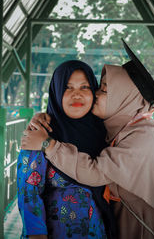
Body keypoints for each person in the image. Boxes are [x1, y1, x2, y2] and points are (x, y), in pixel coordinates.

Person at [21, 41, 154, 239]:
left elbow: (95, 171)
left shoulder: (143, 137)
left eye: (103, 90)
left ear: (124, 99)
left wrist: (48, 144)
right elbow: (28, 194)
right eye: (67, 87)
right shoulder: (106, 131)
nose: (94, 95)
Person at [17, 60, 113, 239]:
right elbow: (28, 194)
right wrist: (37, 235)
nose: (77, 95)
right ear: (57, 92)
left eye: (84, 87)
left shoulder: (104, 132)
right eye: (68, 88)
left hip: (96, 232)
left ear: (94, 91)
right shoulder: (41, 132)